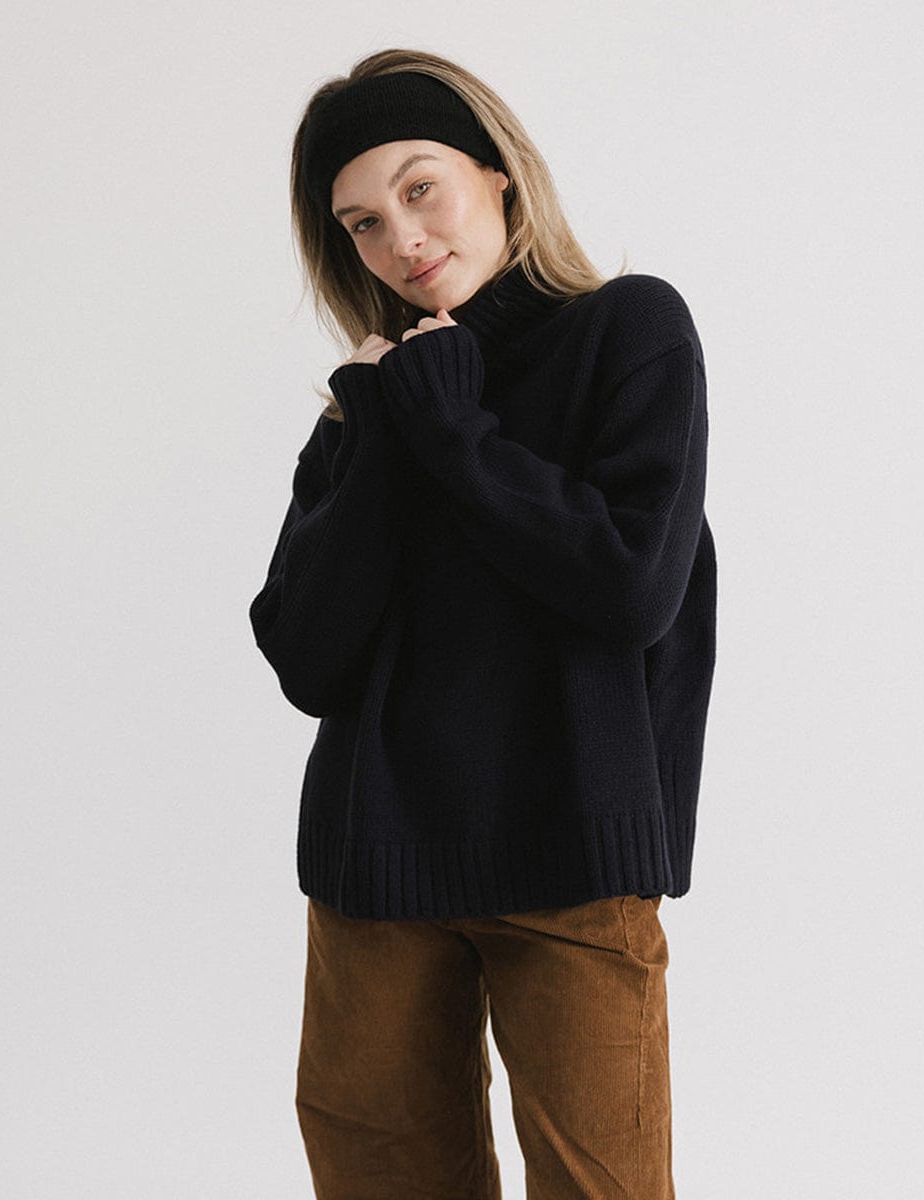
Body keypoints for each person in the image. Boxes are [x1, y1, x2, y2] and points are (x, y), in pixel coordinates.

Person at [248, 47, 717, 1200]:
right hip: (374, 871)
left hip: (574, 858)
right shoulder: (374, 401)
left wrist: (453, 431)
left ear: (498, 172)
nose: (399, 239)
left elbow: (628, 587)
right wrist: (382, 433)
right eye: (359, 223)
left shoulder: (629, 330)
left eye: (419, 188)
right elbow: (306, 656)